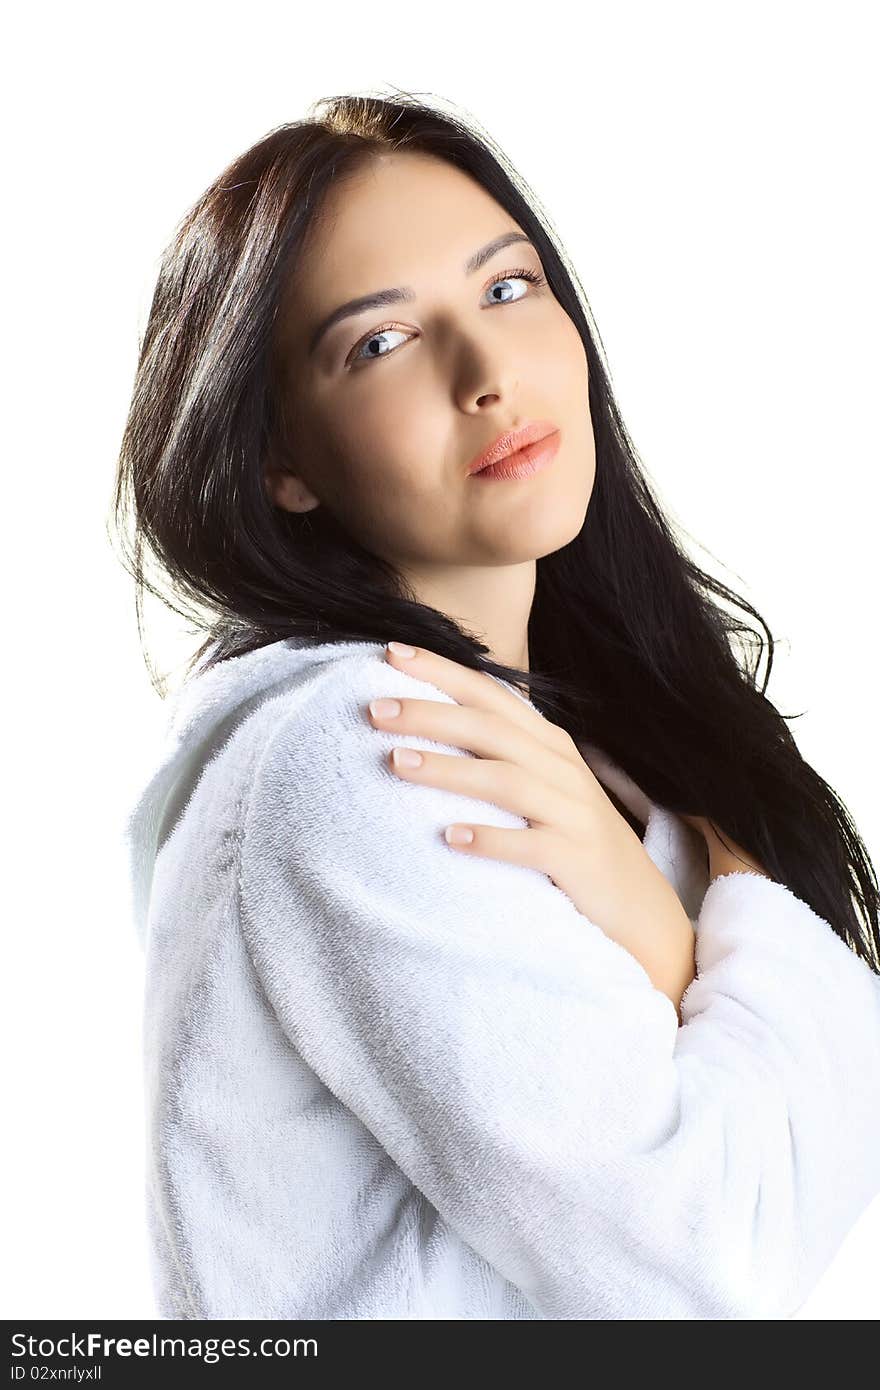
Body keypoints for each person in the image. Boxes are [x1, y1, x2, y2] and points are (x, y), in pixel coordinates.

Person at [113, 92, 880, 1320]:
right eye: (379, 342)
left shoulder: (572, 748)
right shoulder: (365, 745)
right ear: (280, 465)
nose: (486, 372)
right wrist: (686, 935)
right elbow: (705, 1269)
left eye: (507, 288)